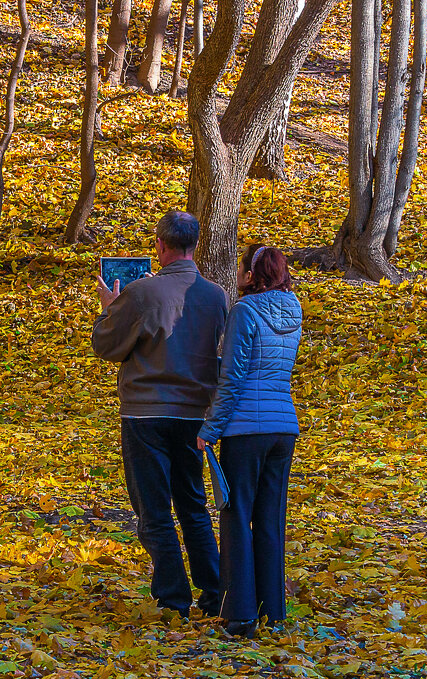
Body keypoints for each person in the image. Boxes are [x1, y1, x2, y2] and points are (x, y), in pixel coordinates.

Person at [91, 210, 228, 619]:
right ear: (194, 245)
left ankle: (173, 597)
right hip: (193, 414)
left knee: (154, 509)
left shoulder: (142, 294)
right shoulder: (216, 296)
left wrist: (109, 308)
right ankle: (213, 590)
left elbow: (106, 345)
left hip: (145, 414)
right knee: (192, 503)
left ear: (160, 247)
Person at [197, 244, 302, 638]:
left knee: (237, 516)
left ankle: (240, 613)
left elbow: (234, 379)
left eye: (242, 267)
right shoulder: (294, 309)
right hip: (283, 427)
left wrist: (209, 429)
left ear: (251, 275)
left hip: (245, 429)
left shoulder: (244, 312)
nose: (238, 272)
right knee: (271, 518)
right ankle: (272, 610)